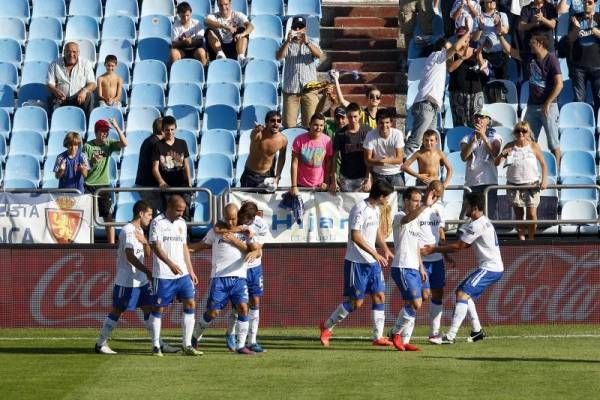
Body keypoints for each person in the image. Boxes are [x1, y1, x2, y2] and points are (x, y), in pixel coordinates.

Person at [94, 201, 180, 355]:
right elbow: (129, 257)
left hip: (140, 281)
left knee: (150, 309)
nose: (150, 218)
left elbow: (147, 254)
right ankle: (101, 343)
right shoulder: (128, 230)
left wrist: (146, 242)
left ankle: (158, 343)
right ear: (140, 214)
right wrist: (147, 270)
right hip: (127, 281)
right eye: (149, 215)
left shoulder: (140, 230)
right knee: (117, 310)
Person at [319, 179, 395, 347]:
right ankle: (326, 327)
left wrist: (385, 248)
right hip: (357, 262)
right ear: (381, 196)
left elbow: (376, 232)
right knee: (356, 303)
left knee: (379, 295)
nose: (388, 200)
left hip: (373, 263)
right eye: (387, 197)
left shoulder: (375, 209)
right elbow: (356, 236)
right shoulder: (359, 209)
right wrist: (375, 253)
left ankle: (378, 337)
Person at [422, 192, 504, 344]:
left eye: (466, 204)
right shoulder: (482, 221)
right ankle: (477, 331)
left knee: (462, 293)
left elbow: (460, 246)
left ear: (473, 207)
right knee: (464, 294)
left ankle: (450, 336)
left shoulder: (477, 224)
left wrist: (434, 249)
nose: (464, 207)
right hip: (491, 267)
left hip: (491, 268)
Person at [189, 203, 259, 355]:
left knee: (243, 308)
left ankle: (241, 346)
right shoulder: (216, 231)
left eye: (233, 219)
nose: (230, 222)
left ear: (238, 215)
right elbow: (201, 245)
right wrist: (183, 249)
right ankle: (195, 337)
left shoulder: (246, 230)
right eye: (227, 219)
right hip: (219, 278)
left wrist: (244, 246)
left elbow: (256, 249)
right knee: (213, 313)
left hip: (239, 277)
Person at [148, 195, 201, 356]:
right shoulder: (157, 222)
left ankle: (187, 345)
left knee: (190, 303)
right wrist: (170, 264)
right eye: (178, 210)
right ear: (169, 207)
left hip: (183, 274)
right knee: (159, 308)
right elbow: (155, 246)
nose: (181, 213)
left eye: (183, 210)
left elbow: (184, 247)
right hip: (164, 274)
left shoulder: (182, 223)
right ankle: (156, 345)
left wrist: (190, 270)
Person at [499, 33, 563, 167]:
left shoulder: (552, 59)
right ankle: (530, 168)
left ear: (540, 43)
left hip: (549, 108)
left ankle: (556, 172)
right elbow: (510, 51)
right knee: (527, 140)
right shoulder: (530, 57)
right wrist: (500, 35)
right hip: (532, 106)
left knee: (553, 143)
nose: (530, 45)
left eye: (532, 42)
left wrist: (548, 102)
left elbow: (559, 84)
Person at [388, 186, 437, 351]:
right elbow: (409, 218)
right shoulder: (399, 216)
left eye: (419, 200)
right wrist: (425, 205)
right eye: (414, 201)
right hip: (402, 267)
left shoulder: (415, 220)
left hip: (415, 267)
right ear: (406, 201)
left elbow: (416, 245)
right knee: (415, 303)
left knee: (424, 295)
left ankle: (405, 339)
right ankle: (395, 333)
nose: (417, 204)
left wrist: (421, 266)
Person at [406, 33, 471, 156]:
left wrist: (461, 58)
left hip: (432, 106)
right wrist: (468, 33)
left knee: (429, 144)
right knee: (415, 141)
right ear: (442, 49)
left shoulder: (440, 64)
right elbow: (456, 48)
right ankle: (399, 168)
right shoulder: (436, 56)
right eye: (448, 48)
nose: (451, 53)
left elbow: (451, 68)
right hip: (426, 104)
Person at [222, 202, 269, 353]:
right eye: (242, 217)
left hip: (254, 268)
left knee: (255, 301)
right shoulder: (235, 220)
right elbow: (219, 229)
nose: (243, 220)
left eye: (247, 219)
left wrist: (253, 250)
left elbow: (258, 249)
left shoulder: (261, 225)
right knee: (239, 305)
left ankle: (252, 340)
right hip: (238, 268)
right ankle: (230, 333)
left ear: (254, 217)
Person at [495, 121, 548, 240]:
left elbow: (544, 164)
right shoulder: (509, 146)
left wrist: (544, 180)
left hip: (532, 184)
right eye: (518, 130)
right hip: (514, 185)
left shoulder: (534, 146)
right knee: (519, 215)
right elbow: (496, 163)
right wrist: (501, 155)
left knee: (532, 214)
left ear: (528, 132)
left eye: (524, 131)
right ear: (515, 132)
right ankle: (521, 238)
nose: (521, 133)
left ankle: (531, 238)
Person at [418, 181, 453, 344]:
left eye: (440, 195)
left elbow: (441, 231)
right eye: (435, 194)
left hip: (437, 259)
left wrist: (445, 252)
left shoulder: (440, 208)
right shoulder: (418, 206)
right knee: (422, 296)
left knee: (438, 294)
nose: (437, 197)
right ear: (429, 190)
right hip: (420, 259)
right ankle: (398, 329)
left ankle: (434, 333)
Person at [83, 119, 128, 244]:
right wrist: (92, 162)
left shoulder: (109, 144)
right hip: (89, 185)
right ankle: (88, 243)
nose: (105, 134)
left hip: (104, 186)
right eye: (102, 131)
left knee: (108, 217)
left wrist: (117, 126)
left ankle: (111, 245)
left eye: (107, 132)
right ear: (96, 132)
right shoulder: (87, 146)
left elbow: (125, 143)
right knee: (88, 217)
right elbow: (84, 167)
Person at [277, 16, 323, 129]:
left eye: (301, 27)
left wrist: (307, 43)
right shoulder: (287, 43)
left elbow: (319, 55)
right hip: (291, 90)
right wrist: (287, 41)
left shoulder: (312, 42)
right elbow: (278, 57)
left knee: (311, 125)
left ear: (305, 29)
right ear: (291, 29)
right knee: (288, 125)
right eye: (295, 27)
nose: (298, 30)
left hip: (310, 90)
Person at [460, 109, 503, 220]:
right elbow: (464, 157)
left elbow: (494, 152)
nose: (478, 119)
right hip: (472, 182)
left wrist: (483, 136)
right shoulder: (467, 138)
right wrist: (473, 142)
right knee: (467, 217)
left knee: (489, 217)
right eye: (476, 117)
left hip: (489, 182)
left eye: (482, 117)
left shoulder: (495, 136)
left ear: (488, 120)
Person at [151, 115, 193, 219]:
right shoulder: (157, 145)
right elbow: (155, 168)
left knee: (185, 213)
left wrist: (190, 182)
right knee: (169, 215)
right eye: (167, 130)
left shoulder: (182, 143)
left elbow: (186, 164)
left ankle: (186, 234)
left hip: (182, 185)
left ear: (176, 129)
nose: (170, 132)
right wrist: (161, 181)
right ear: (163, 130)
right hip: (167, 186)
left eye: (172, 129)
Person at [447, 26, 490, 127]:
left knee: (476, 124)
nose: (462, 39)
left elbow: (486, 72)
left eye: (464, 37)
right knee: (459, 124)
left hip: (475, 92)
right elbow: (450, 69)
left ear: (469, 38)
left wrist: (479, 56)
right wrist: (463, 58)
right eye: (460, 37)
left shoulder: (476, 51)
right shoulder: (452, 52)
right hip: (457, 92)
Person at [566, 0, 600, 113]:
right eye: (584, 2)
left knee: (599, 100)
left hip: (598, 66)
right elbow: (570, 39)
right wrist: (576, 29)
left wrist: (594, 30)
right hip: (578, 66)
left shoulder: (599, 18)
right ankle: (581, 126)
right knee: (579, 101)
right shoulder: (575, 18)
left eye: (589, 2)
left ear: (595, 3)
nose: (586, 4)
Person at [240, 110, 288, 189]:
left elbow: (282, 158)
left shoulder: (283, 140)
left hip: (267, 176)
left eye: (278, 121)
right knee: (246, 201)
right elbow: (253, 136)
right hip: (250, 175)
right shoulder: (259, 134)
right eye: (272, 121)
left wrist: (277, 176)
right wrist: (256, 130)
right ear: (267, 122)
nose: (276, 123)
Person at [330, 103, 371, 192]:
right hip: (346, 177)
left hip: (363, 177)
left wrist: (369, 177)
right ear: (347, 116)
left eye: (355, 116)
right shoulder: (340, 133)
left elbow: (370, 157)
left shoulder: (368, 131)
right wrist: (334, 180)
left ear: (360, 115)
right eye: (350, 117)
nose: (353, 119)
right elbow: (334, 157)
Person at [47, 41, 96, 117]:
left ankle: (88, 123)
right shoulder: (54, 64)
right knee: (52, 98)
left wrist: (84, 91)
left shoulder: (85, 63)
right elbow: (49, 84)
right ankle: (55, 125)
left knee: (89, 95)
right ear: (64, 52)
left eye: (74, 52)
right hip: (61, 98)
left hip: (79, 98)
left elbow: (92, 84)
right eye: (68, 52)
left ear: (78, 53)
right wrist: (55, 91)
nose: (71, 54)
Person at [289, 113, 333, 196]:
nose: (318, 128)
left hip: (320, 186)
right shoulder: (299, 139)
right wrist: (293, 185)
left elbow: (328, 164)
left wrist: (326, 182)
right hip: (301, 185)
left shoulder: (327, 141)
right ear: (310, 124)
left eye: (321, 125)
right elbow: (294, 163)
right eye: (315, 125)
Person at [363, 109, 405, 188]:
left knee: (398, 200)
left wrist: (384, 161)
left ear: (391, 123)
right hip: (379, 175)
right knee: (379, 200)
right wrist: (382, 161)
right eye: (381, 123)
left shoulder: (397, 134)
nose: (384, 125)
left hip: (396, 173)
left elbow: (400, 159)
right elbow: (367, 160)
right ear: (377, 123)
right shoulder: (370, 135)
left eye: (387, 122)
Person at [518, 0, 558, 78]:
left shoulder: (550, 7)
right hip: (530, 50)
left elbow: (553, 24)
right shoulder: (526, 8)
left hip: (548, 49)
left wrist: (542, 19)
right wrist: (533, 24)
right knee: (529, 77)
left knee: (550, 77)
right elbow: (521, 26)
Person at [135, 117, 164, 214]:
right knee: (155, 215)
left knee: (152, 214)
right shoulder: (156, 144)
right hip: (149, 186)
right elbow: (157, 166)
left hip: (144, 184)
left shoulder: (148, 140)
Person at [476, 0, 510, 79]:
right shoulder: (479, 17)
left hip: (500, 55)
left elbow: (505, 32)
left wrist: (498, 24)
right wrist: (480, 27)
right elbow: (475, 38)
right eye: (489, 1)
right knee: (486, 85)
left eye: (494, 0)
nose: (493, 2)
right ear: (484, 3)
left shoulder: (502, 15)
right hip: (484, 56)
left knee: (501, 84)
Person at [171, 1, 208, 66]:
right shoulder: (175, 26)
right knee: (173, 53)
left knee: (201, 52)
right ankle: (175, 73)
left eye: (187, 15)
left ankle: (204, 72)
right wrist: (183, 42)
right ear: (178, 14)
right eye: (183, 16)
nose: (186, 18)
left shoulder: (197, 23)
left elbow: (201, 41)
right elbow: (174, 45)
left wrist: (191, 41)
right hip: (182, 50)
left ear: (191, 13)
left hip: (195, 50)